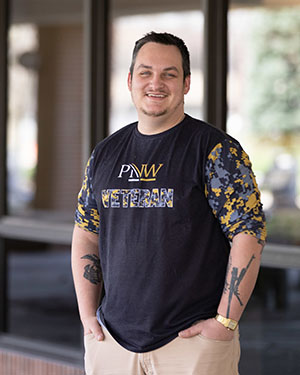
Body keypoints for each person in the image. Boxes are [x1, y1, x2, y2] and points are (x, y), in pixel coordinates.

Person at [71, 32, 266, 375]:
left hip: (190, 345)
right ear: (131, 81)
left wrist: (225, 322)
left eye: (169, 74)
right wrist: (88, 317)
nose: (155, 83)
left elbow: (248, 234)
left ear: (186, 83)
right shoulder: (105, 153)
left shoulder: (216, 150)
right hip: (112, 343)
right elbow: (86, 233)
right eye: (145, 73)